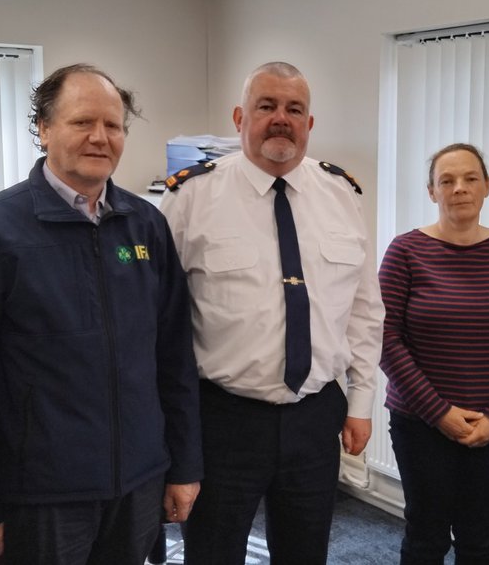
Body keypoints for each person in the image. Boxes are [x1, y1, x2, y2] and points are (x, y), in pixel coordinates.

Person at [0, 64, 202, 565]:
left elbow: (174, 355)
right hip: (43, 492)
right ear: (43, 129)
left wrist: (183, 465)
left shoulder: (145, 224)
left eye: (113, 126)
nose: (100, 137)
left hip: (138, 479)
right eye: (82, 122)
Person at [160, 61, 383, 564]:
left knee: (306, 553)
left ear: (310, 124)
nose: (280, 118)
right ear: (240, 117)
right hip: (223, 419)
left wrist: (361, 402)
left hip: (315, 415)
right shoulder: (190, 196)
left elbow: (365, 310)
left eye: (294, 109)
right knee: (213, 553)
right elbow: (163, 324)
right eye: (267, 106)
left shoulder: (341, 194)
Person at [379, 143, 489, 564]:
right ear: (432, 191)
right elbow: (385, 337)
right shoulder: (405, 251)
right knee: (426, 535)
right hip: (421, 424)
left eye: (470, 179)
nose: (460, 189)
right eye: (447, 181)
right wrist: (439, 412)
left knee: (480, 535)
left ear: (487, 186)